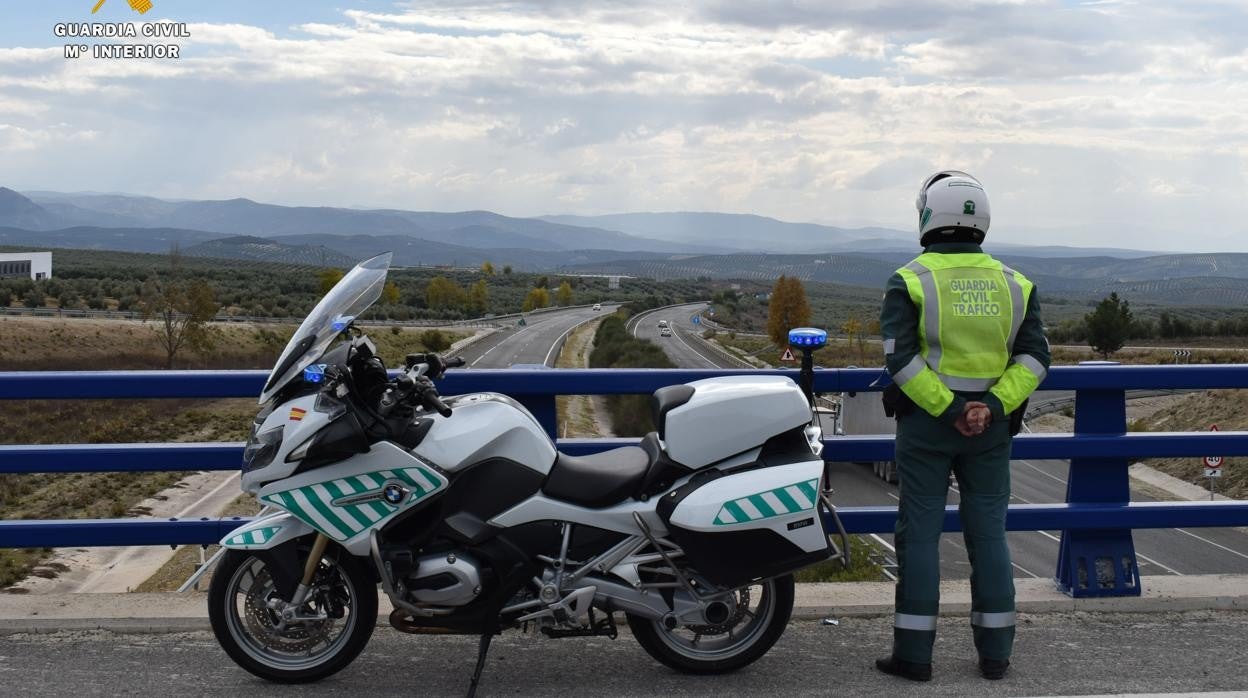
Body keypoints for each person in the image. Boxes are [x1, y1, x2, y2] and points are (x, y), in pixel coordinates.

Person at [874, 171, 1050, 682]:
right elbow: (1037, 358)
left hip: (928, 428)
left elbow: (901, 362)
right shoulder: (1016, 284)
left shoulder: (909, 280)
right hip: (992, 430)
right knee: (989, 536)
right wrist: (990, 406)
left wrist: (951, 409)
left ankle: (913, 656)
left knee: (920, 536)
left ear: (928, 216)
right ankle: (995, 655)